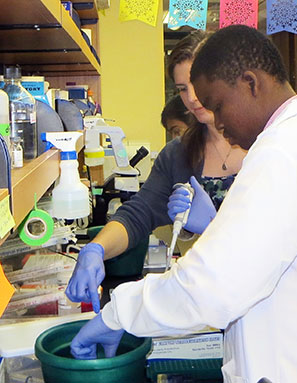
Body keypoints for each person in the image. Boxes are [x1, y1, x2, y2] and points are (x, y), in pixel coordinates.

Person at [70, 25, 297, 382]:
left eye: (219, 105)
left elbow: (213, 286)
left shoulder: (285, 153)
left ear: (251, 83)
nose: (217, 122)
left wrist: (119, 314)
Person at [65, 30, 247, 313]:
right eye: (183, 88)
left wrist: (214, 227)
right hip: (211, 299)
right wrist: (96, 250)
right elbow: (139, 214)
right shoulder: (178, 154)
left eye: (198, 83)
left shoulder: (263, 146)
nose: (193, 98)